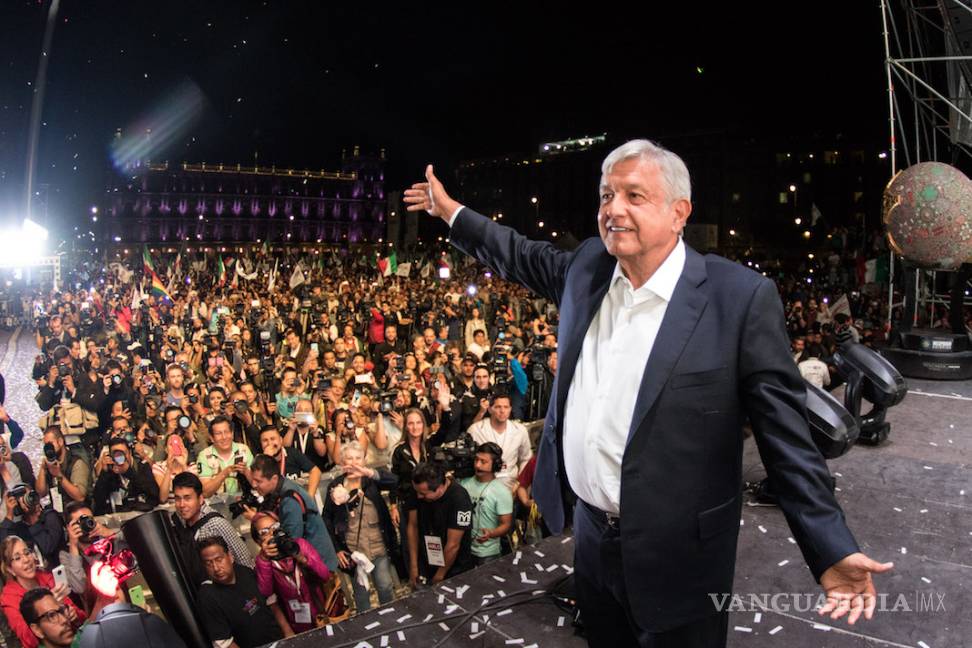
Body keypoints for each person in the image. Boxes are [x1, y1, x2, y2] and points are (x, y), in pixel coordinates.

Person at [405, 141, 892, 646]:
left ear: (679, 212)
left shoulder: (738, 298)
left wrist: (830, 546)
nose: (613, 209)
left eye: (634, 196)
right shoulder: (588, 268)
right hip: (591, 541)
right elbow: (515, 252)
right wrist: (449, 210)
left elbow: (786, 440)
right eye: (606, 195)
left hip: (682, 556)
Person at [322, 442, 400, 613]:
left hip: (378, 544)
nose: (354, 462)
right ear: (342, 462)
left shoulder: (370, 480)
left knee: (385, 586)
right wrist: (337, 549)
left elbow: (395, 481)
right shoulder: (335, 486)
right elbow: (326, 518)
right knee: (361, 593)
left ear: (364, 460)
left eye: (358, 458)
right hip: (353, 549)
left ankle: (390, 618)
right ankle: (366, 623)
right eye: (349, 458)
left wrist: (369, 472)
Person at [246, 454, 339, 572]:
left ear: (274, 478)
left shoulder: (289, 500)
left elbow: (291, 541)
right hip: (314, 561)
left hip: (319, 565)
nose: (254, 485)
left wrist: (259, 521)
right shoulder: (283, 487)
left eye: (258, 481)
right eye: (253, 480)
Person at [251, 511, 331, 635]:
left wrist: (302, 559)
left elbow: (325, 575)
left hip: (321, 611)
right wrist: (264, 560)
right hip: (296, 622)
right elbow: (266, 593)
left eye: (275, 527)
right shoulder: (263, 561)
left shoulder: (299, 545)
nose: (272, 533)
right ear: (258, 541)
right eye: (264, 532)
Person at [196, 536, 285, 648]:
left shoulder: (245, 572)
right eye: (209, 563)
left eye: (219, 559)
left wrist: (290, 635)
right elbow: (225, 643)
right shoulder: (207, 597)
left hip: (280, 641)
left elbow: (272, 604)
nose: (216, 568)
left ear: (230, 557)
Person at [1, 536, 86, 648]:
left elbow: (81, 616)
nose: (26, 560)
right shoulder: (9, 598)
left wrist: (74, 615)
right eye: (17, 558)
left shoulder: (47, 578)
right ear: (10, 569)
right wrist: (49, 607)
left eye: (27, 553)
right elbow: (29, 641)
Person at [405, 461, 473, 585]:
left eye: (424, 494)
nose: (419, 496)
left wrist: (439, 577)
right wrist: (414, 566)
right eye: (417, 492)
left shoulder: (459, 499)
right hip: (427, 560)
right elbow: (412, 526)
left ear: (440, 488)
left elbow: (453, 545)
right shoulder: (418, 489)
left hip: (454, 567)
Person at [171, 473, 254, 574]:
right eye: (177, 498)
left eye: (187, 498)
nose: (182, 504)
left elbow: (245, 561)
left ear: (200, 499)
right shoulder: (180, 521)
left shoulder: (216, 524)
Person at [459, 442, 513, 565]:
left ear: (495, 465)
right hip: (465, 549)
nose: (478, 465)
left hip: (488, 554)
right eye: (476, 460)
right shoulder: (463, 483)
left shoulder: (502, 492)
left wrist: (491, 533)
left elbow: (506, 524)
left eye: (483, 462)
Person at [466, 394, 532, 491]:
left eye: (506, 407)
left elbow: (526, 458)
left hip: (511, 482)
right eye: (498, 407)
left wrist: (520, 483)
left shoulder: (520, 430)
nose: (502, 411)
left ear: (510, 409)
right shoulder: (476, 430)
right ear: (490, 409)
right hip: (482, 484)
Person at [91, 438, 160, 515]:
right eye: (115, 454)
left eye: (122, 453)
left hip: (140, 515)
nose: (119, 457)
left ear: (130, 453)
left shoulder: (142, 467)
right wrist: (104, 473)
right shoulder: (110, 472)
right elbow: (98, 501)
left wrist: (129, 472)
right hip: (118, 516)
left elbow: (155, 496)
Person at [197, 416, 253, 498]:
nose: (224, 437)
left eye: (226, 432)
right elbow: (205, 493)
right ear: (212, 438)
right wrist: (224, 473)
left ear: (232, 434)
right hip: (215, 502)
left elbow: (257, 485)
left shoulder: (244, 449)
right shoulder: (204, 455)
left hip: (243, 499)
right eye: (218, 434)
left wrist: (246, 471)